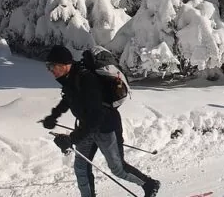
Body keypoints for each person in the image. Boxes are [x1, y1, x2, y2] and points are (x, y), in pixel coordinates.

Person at [42, 45, 160, 197]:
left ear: (63, 64)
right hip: (87, 127)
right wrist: (54, 116)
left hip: (106, 127)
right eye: (48, 66)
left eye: (51, 66)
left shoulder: (86, 79)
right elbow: (69, 98)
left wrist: (72, 139)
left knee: (118, 169)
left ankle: (150, 184)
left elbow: (96, 117)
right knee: (81, 168)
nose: (50, 70)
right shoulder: (70, 78)